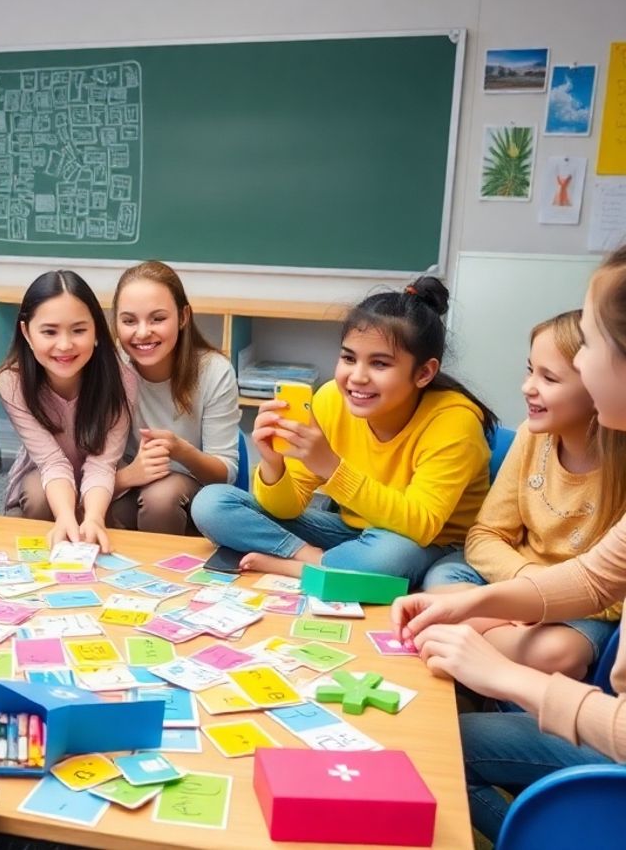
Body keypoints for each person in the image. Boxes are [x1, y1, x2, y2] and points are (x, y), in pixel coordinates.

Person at [393, 247, 626, 843]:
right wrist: (469, 605)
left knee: (433, 753)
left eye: (593, 342)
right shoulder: (532, 439)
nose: (529, 385)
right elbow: (596, 578)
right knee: (429, 734)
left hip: (612, 744)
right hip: (570, 673)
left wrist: (506, 677)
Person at [192, 276, 496, 584]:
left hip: (428, 543)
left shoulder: (455, 420)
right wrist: (273, 465)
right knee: (212, 503)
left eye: (380, 364)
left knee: (391, 553)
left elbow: (422, 524)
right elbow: (288, 507)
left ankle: (304, 565)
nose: (357, 377)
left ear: (424, 373)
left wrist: (332, 468)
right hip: (352, 532)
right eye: (348, 358)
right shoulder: (330, 400)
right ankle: (311, 558)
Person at [423, 310, 626, 679]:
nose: (527, 387)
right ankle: (472, 649)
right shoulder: (532, 437)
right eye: (530, 370)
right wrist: (526, 589)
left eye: (548, 377)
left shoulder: (619, 469)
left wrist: (538, 604)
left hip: (581, 610)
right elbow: (485, 536)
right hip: (511, 583)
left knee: (557, 654)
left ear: (599, 386)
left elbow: (612, 591)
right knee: (439, 585)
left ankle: (465, 648)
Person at [0, 270, 134, 554]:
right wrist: (65, 516)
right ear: (27, 333)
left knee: (108, 529)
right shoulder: (12, 382)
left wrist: (94, 517)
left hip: (101, 479)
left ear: (96, 330)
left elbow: (103, 462)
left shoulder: (123, 380)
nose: (64, 345)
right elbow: (51, 462)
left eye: (79, 330)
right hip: (42, 478)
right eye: (49, 331)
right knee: (37, 496)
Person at [109, 260, 240, 534]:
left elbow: (226, 473)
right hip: (131, 484)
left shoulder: (214, 371)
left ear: (183, 317)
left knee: (161, 496)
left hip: (193, 496)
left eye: (158, 318)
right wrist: (128, 476)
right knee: (97, 506)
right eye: (129, 320)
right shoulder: (110, 368)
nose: (143, 332)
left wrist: (181, 450)